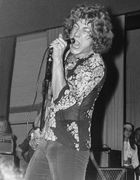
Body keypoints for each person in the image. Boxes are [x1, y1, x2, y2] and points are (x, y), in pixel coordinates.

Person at [24, 3, 113, 180]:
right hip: (48, 140)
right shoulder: (68, 56)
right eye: (75, 27)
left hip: (71, 145)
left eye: (86, 31)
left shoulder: (95, 65)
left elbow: (63, 100)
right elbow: (50, 100)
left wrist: (57, 59)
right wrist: (39, 128)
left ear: (95, 39)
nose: (76, 35)